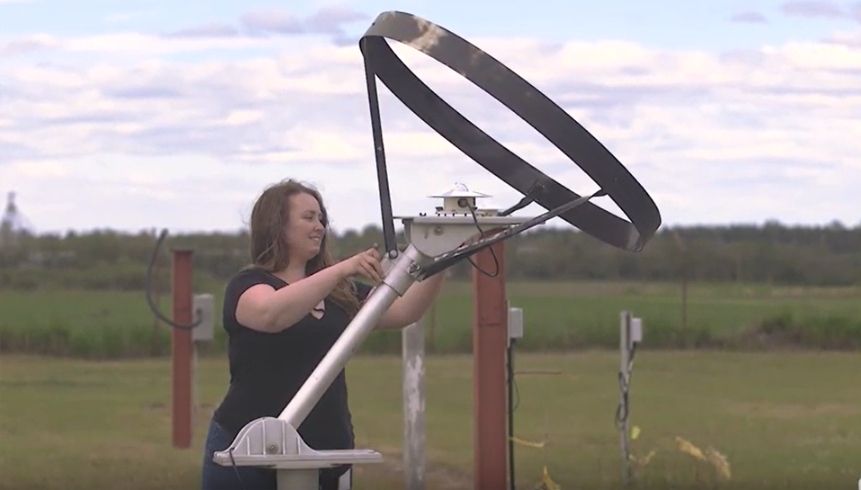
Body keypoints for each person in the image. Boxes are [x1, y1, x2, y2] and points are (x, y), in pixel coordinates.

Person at [200, 179, 446, 490]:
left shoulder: (339, 294)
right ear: (277, 224)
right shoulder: (248, 285)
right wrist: (342, 269)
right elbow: (271, 314)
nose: (319, 226)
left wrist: (442, 257)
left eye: (321, 218)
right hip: (248, 452)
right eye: (308, 217)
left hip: (326, 451)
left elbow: (404, 310)